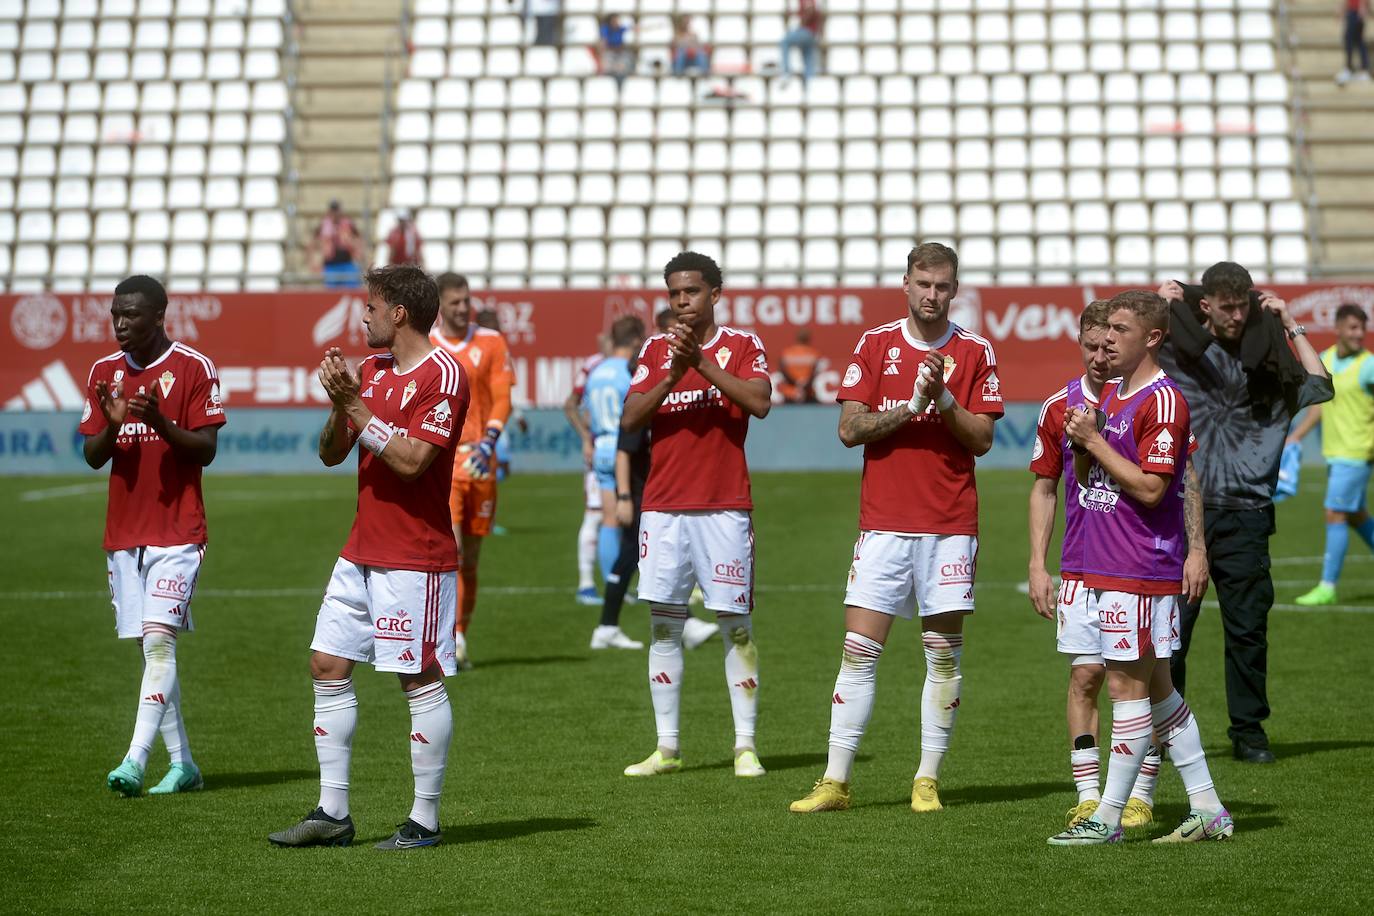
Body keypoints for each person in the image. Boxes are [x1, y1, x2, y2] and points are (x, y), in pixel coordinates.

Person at [790, 243, 1002, 814]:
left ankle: (927, 779)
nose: (932, 295)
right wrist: (912, 406)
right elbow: (849, 428)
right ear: (905, 283)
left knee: (943, 655)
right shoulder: (875, 344)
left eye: (943, 286)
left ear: (954, 290)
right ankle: (835, 781)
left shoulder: (975, 350)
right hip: (882, 525)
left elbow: (982, 438)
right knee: (858, 651)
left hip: (950, 525)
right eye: (923, 284)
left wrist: (944, 399)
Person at [269, 265, 468, 851]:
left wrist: (356, 404)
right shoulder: (374, 372)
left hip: (415, 556)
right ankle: (333, 813)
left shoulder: (445, 375)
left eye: (371, 307)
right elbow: (332, 454)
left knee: (417, 679)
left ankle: (424, 820)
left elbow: (411, 462)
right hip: (361, 549)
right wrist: (341, 405)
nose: (363, 316)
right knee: (327, 665)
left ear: (398, 313)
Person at [1049, 290, 1232, 845]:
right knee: (1159, 696)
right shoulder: (1119, 396)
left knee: (1126, 693)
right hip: (1110, 567)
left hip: (1140, 568)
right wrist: (1088, 442)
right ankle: (1209, 808)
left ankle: (1107, 818)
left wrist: (1092, 441)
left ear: (1152, 338)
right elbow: (1088, 482)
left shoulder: (1164, 399)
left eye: (1121, 330)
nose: (1108, 339)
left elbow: (1153, 488)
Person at [1157, 264, 1332, 763]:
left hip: (1247, 517)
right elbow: (1128, 356)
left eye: (1243, 305)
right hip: (1183, 514)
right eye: (1225, 305)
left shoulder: (1272, 367)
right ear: (1205, 305)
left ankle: (1249, 734)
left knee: (1248, 631)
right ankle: (1168, 731)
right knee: (1172, 632)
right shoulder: (1177, 356)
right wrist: (1156, 300)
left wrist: (1291, 320)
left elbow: (1321, 385)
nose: (1236, 315)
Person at [620, 251, 772, 779]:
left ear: (714, 294)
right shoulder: (656, 350)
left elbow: (759, 402)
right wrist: (671, 375)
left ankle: (745, 746)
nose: (682, 302)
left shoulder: (742, 345)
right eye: (674, 293)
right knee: (664, 627)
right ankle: (667, 747)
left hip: (723, 507)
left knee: (736, 627)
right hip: (663, 508)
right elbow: (631, 418)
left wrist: (702, 365)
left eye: (691, 292)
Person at [82, 275, 226, 798]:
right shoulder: (104, 372)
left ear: (159, 316)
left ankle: (134, 760)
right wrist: (113, 425)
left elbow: (206, 449)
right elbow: (92, 456)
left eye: (131, 315)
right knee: (153, 652)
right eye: (115, 314)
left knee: (160, 644)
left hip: (178, 531)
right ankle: (184, 764)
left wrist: (163, 423)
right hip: (124, 534)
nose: (120, 323)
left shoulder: (193, 367)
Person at [428, 273, 515, 670]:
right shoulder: (428, 345)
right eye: (455, 302)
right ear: (440, 306)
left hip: (482, 461)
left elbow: (502, 396)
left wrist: (491, 438)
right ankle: (450, 640)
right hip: (445, 464)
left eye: (467, 301)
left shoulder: (492, 343)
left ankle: (461, 630)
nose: (463, 308)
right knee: (454, 550)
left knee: (473, 558)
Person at [1289, 303, 1374, 605]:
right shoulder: (1324, 360)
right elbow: (1320, 409)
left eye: (1362, 328)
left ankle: (1327, 586)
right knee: (1355, 515)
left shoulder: (1369, 365)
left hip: (1358, 452)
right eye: (1352, 327)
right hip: (1335, 453)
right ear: (1337, 329)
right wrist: (1295, 436)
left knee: (1335, 513)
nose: (1359, 334)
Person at [583, 315, 647, 646]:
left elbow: (584, 409)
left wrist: (587, 439)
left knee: (609, 520)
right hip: (622, 445)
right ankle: (620, 586)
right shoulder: (627, 373)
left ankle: (614, 585)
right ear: (636, 340)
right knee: (629, 529)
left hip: (600, 445)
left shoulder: (596, 371)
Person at [566, 338, 610, 605]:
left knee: (626, 518)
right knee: (595, 515)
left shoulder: (637, 361)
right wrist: (585, 437)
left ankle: (616, 583)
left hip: (627, 449)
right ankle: (586, 584)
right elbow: (571, 404)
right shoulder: (593, 364)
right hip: (600, 449)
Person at [311, 200, 364, 289]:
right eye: (333, 210)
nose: (335, 213)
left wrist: (358, 252)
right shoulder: (323, 224)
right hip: (331, 264)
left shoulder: (348, 223)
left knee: (352, 288)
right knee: (331, 291)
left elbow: (359, 239)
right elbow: (313, 242)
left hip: (347, 262)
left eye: (336, 210)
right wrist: (313, 262)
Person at [779, 0, 823, 86]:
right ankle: (809, 84)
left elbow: (810, 10)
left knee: (785, 42)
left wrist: (802, 23)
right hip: (812, 34)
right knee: (808, 59)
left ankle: (786, 72)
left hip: (806, 32)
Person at [777, 327, 824, 403]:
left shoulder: (786, 353)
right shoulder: (814, 353)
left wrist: (796, 383)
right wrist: (803, 386)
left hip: (790, 393)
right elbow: (815, 372)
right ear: (808, 338)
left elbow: (783, 371)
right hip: (807, 392)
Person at [1336, 0, 1372, 85]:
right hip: (1352, 10)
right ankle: (1361, 69)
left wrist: (1363, 7)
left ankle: (1351, 68)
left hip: (1356, 11)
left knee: (1352, 40)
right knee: (1357, 41)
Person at [598, 14, 636, 87]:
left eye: (618, 20)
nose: (617, 22)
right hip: (610, 52)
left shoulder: (620, 29)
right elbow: (603, 42)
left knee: (625, 64)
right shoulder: (606, 29)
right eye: (615, 20)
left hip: (620, 53)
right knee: (610, 68)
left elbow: (633, 28)